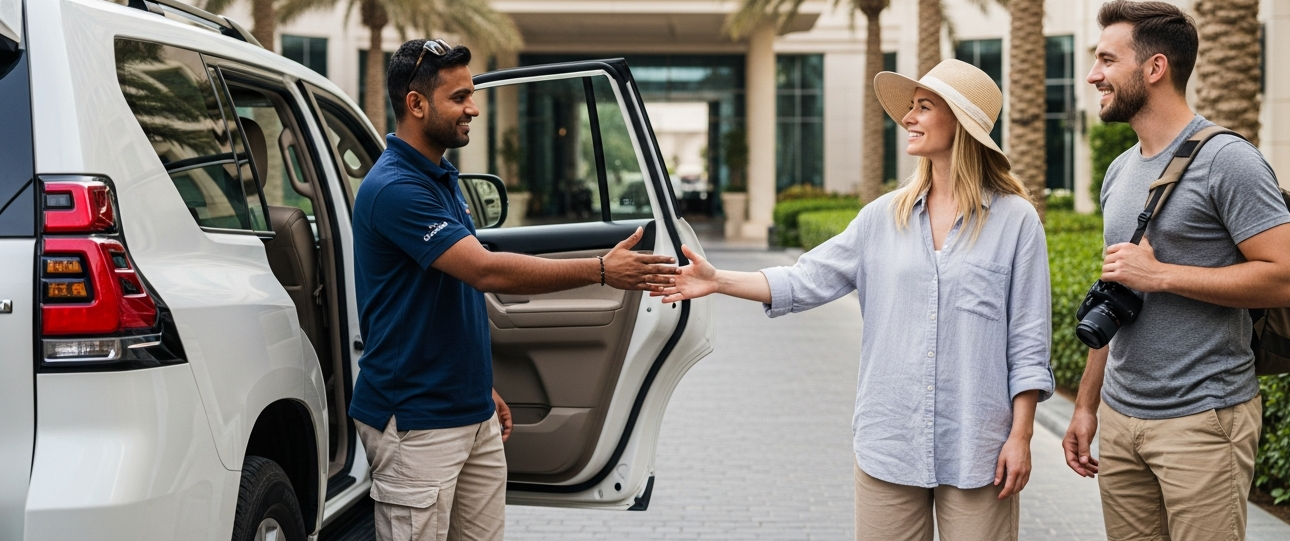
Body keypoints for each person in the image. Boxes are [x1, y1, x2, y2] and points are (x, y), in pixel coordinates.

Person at [656, 59, 1054, 541]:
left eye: (924, 107)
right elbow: (806, 279)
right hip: (890, 442)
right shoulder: (882, 218)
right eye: (911, 107)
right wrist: (717, 279)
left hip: (980, 448)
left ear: (961, 123)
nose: (908, 117)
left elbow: (1028, 342)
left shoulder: (1016, 222)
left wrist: (1021, 436)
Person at [350, 39, 680, 541]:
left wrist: (479, 387)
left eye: (471, 94)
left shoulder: (439, 177)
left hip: (469, 410)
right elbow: (484, 271)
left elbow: (446, 294)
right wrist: (600, 269)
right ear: (416, 104)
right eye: (459, 97)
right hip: (415, 421)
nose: (473, 108)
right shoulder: (396, 188)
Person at [1062, 1, 1290, 541]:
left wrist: (1162, 276)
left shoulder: (1228, 160)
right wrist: (1086, 406)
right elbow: (1113, 290)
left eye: (1107, 60)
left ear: (1155, 68)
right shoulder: (1120, 170)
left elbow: (1287, 279)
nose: (1093, 75)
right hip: (1121, 419)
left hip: (1203, 420)